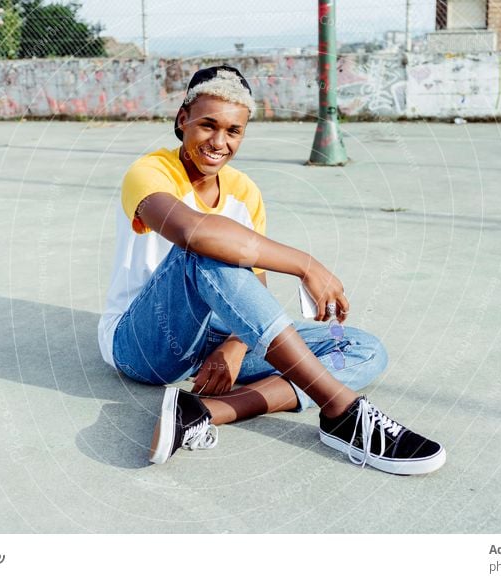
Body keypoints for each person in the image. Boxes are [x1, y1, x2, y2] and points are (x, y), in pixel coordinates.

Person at [98, 65, 446, 475]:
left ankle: (202, 410)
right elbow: (194, 231)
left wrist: (233, 346)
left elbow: (251, 287)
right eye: (207, 125)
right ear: (182, 120)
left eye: (233, 131)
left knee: (362, 349)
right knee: (204, 247)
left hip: (211, 341)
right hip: (145, 343)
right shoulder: (149, 172)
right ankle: (342, 411)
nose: (219, 142)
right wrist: (306, 265)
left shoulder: (245, 191)